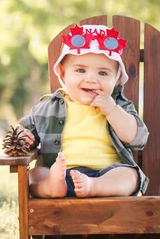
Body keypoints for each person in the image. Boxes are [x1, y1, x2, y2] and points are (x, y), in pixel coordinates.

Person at [15, 24, 149, 198]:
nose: (91, 79)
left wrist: (112, 110)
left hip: (108, 174)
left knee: (130, 176)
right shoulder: (47, 107)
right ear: (63, 75)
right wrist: (22, 138)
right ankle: (52, 187)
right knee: (35, 175)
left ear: (116, 80)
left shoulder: (119, 106)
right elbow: (23, 131)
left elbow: (137, 138)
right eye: (80, 70)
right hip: (61, 174)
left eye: (103, 73)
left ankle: (94, 186)